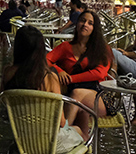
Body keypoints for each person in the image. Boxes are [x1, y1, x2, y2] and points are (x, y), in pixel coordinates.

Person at [2, 25, 85, 154]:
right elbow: (61, 123)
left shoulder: (8, 73)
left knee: (64, 137)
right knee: (78, 135)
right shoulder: (49, 78)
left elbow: (3, 103)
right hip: (48, 142)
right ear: (41, 50)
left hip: (22, 139)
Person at [46, 9, 113, 142]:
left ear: (95, 28)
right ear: (77, 24)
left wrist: (70, 79)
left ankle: (61, 136)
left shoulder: (103, 49)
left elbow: (100, 72)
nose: (85, 25)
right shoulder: (65, 47)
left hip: (98, 96)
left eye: (90, 23)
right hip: (72, 98)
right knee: (77, 108)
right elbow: (45, 60)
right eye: (82, 21)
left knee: (77, 94)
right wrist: (59, 71)